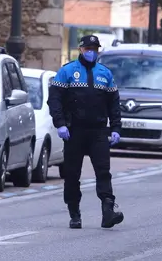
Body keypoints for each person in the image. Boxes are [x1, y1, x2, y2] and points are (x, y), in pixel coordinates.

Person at [47, 34, 124, 229]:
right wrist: (60, 124)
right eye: (88, 48)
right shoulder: (67, 72)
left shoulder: (105, 73)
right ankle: (74, 213)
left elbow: (113, 104)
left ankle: (108, 211)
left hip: (98, 131)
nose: (91, 52)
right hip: (74, 131)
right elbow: (54, 99)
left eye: (94, 49)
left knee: (103, 172)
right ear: (80, 49)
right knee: (72, 174)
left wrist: (115, 128)